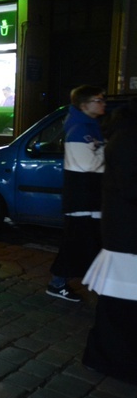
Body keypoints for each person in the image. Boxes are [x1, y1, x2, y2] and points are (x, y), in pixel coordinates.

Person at [81, 97, 137, 382]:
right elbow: (129, 187)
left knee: (119, 304)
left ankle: (106, 356)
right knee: (119, 305)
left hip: (125, 235)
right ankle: (107, 358)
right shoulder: (127, 139)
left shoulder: (126, 136)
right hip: (125, 236)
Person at [47, 85, 106, 301]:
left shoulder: (91, 126)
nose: (103, 104)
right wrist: (109, 153)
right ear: (84, 105)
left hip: (90, 196)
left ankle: (98, 281)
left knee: (89, 241)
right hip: (81, 197)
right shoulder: (79, 129)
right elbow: (87, 164)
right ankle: (57, 283)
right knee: (76, 242)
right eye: (98, 100)